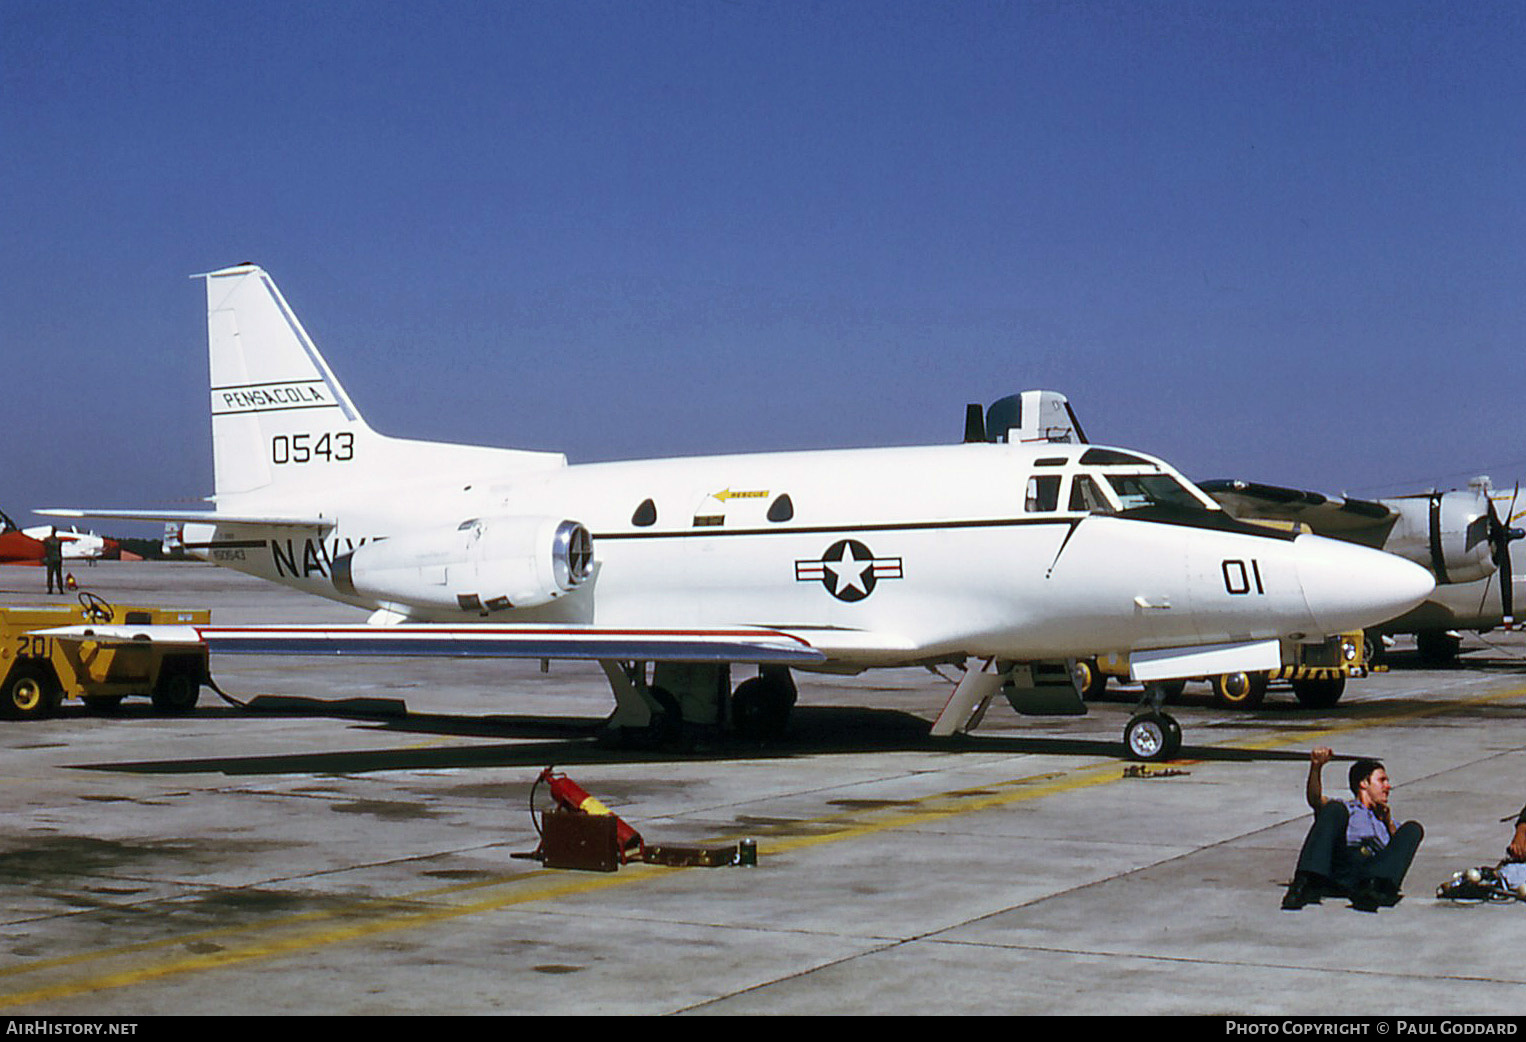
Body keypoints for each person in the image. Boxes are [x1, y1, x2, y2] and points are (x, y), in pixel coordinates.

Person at [1281, 747, 1424, 912]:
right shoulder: (1346, 809)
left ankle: (1373, 893)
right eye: (1382, 780)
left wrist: (1388, 822)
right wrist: (1316, 767)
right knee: (1333, 808)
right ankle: (1305, 885)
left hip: (1371, 873)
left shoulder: (1386, 820)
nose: (1388, 786)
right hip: (1342, 865)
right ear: (1364, 783)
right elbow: (1315, 799)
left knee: (1413, 828)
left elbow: (1397, 853)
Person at [42, 528, 64, 595]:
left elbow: (46, 550)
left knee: (50, 575)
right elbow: (60, 551)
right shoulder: (58, 541)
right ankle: (60, 589)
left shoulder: (48, 541)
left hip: (51, 559)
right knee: (58, 575)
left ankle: (50, 589)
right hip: (57, 559)